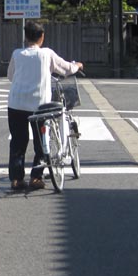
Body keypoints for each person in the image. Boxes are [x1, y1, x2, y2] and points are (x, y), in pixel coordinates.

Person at [6, 21, 83, 191]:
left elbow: (11, 76)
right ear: (42, 37)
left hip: (16, 103)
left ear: (26, 37)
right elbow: (66, 69)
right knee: (42, 142)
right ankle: (36, 177)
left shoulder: (17, 54)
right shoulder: (47, 54)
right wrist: (77, 65)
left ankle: (17, 180)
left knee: (18, 142)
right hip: (39, 105)